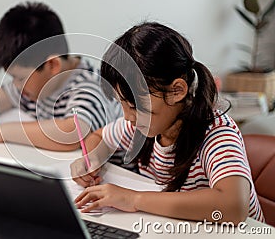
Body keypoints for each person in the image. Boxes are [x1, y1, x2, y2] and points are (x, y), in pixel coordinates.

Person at [71, 22, 264, 223]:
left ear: (176, 91)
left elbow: (234, 206)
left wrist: (133, 199)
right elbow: (99, 137)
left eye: (134, 105)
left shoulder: (217, 133)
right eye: (122, 104)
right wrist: (92, 159)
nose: (127, 116)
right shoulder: (143, 124)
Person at [0, 1, 121, 151]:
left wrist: (1, 132)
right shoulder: (35, 86)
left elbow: (72, 134)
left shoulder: (90, 87)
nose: (16, 85)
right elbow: (3, 95)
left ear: (52, 65)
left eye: (20, 78)